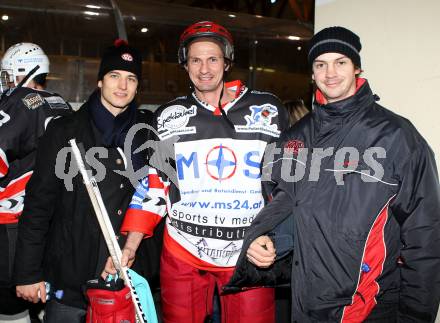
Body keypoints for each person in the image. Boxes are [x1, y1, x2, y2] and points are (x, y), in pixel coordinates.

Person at [226, 26, 440, 322]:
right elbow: (286, 212)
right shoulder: (292, 140)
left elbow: (425, 236)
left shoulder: (397, 136)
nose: (330, 73)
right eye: (320, 64)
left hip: (371, 307)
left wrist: (417, 316)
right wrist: (266, 240)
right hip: (305, 305)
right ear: (312, 73)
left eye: (340, 62)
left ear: (356, 68)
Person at [104, 21, 289, 323]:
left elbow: (289, 187)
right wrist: (130, 247)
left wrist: (278, 240)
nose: (204, 68)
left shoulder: (268, 109)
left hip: (248, 253)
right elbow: (155, 185)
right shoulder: (168, 115)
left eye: (212, 58)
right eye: (195, 60)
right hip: (183, 254)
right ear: (185, 64)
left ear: (227, 61)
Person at [13, 40, 151, 322]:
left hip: (127, 280)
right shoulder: (64, 131)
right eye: (114, 76)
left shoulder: (147, 134)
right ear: (100, 81)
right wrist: (27, 273)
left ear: (138, 87)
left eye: (131, 78)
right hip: (71, 280)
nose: (122, 86)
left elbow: (156, 199)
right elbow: (38, 206)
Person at [0, 42, 73, 323]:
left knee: (10, 304)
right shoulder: (60, 102)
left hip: (13, 223)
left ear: (24, 73)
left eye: (7, 75)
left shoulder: (20, 102)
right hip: (50, 220)